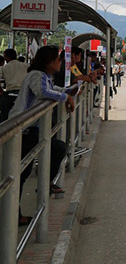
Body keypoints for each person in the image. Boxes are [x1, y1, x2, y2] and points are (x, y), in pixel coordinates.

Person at [12, 45, 75, 226]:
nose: (60, 62)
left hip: (32, 130)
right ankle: (16, 213)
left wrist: (68, 91)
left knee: (55, 150)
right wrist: (66, 98)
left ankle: (44, 184)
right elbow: (44, 92)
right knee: (21, 174)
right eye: (58, 59)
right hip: (23, 130)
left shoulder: (44, 76)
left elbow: (52, 88)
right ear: (49, 63)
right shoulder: (36, 76)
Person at [0, 48, 29, 122]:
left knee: (5, 117)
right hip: (24, 93)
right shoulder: (26, 66)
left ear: (7, 57)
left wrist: (1, 91)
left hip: (9, 94)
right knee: (24, 115)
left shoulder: (4, 68)